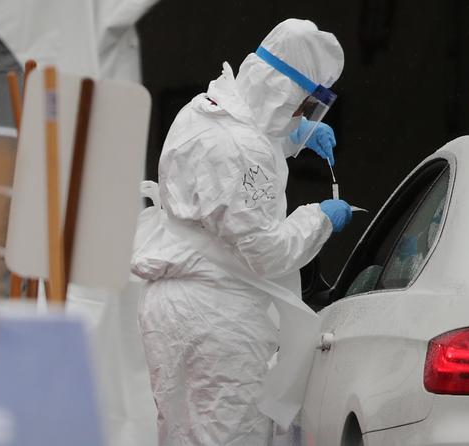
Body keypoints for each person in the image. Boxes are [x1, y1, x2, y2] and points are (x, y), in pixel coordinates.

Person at [132, 18, 352, 445]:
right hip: (220, 318)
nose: (300, 115)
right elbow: (267, 251)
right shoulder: (244, 150)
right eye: (301, 106)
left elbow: (252, 137)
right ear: (282, 91)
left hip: (170, 306)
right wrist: (320, 218)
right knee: (231, 436)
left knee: (178, 434)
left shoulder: (204, 110)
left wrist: (296, 137)